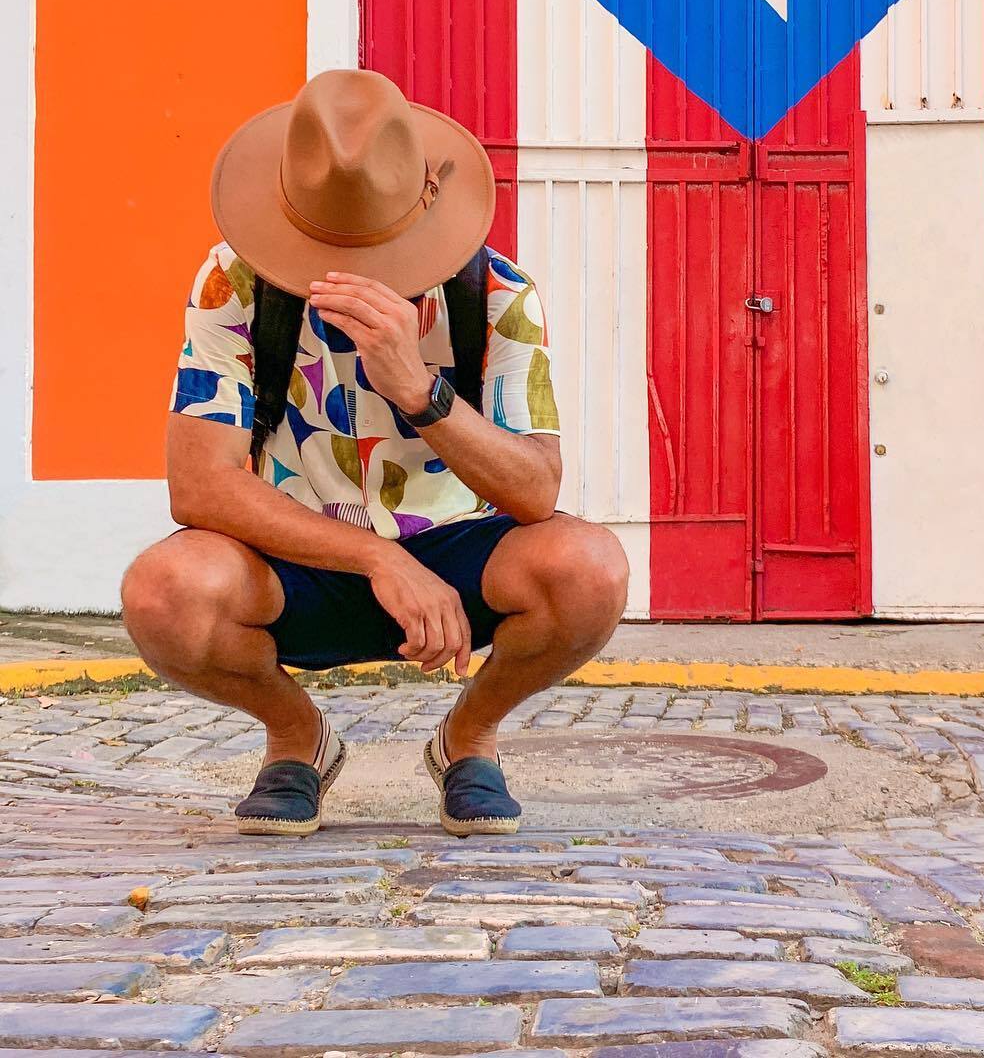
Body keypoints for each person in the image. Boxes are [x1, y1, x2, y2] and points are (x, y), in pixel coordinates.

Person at [120, 68, 629, 837]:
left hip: (461, 557)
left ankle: (470, 739)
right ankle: (297, 739)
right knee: (163, 591)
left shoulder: (496, 293)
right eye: (320, 245)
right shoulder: (234, 283)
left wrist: (420, 390)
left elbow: (534, 490)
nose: (351, 273)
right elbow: (198, 485)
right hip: (293, 557)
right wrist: (379, 560)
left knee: (590, 571)